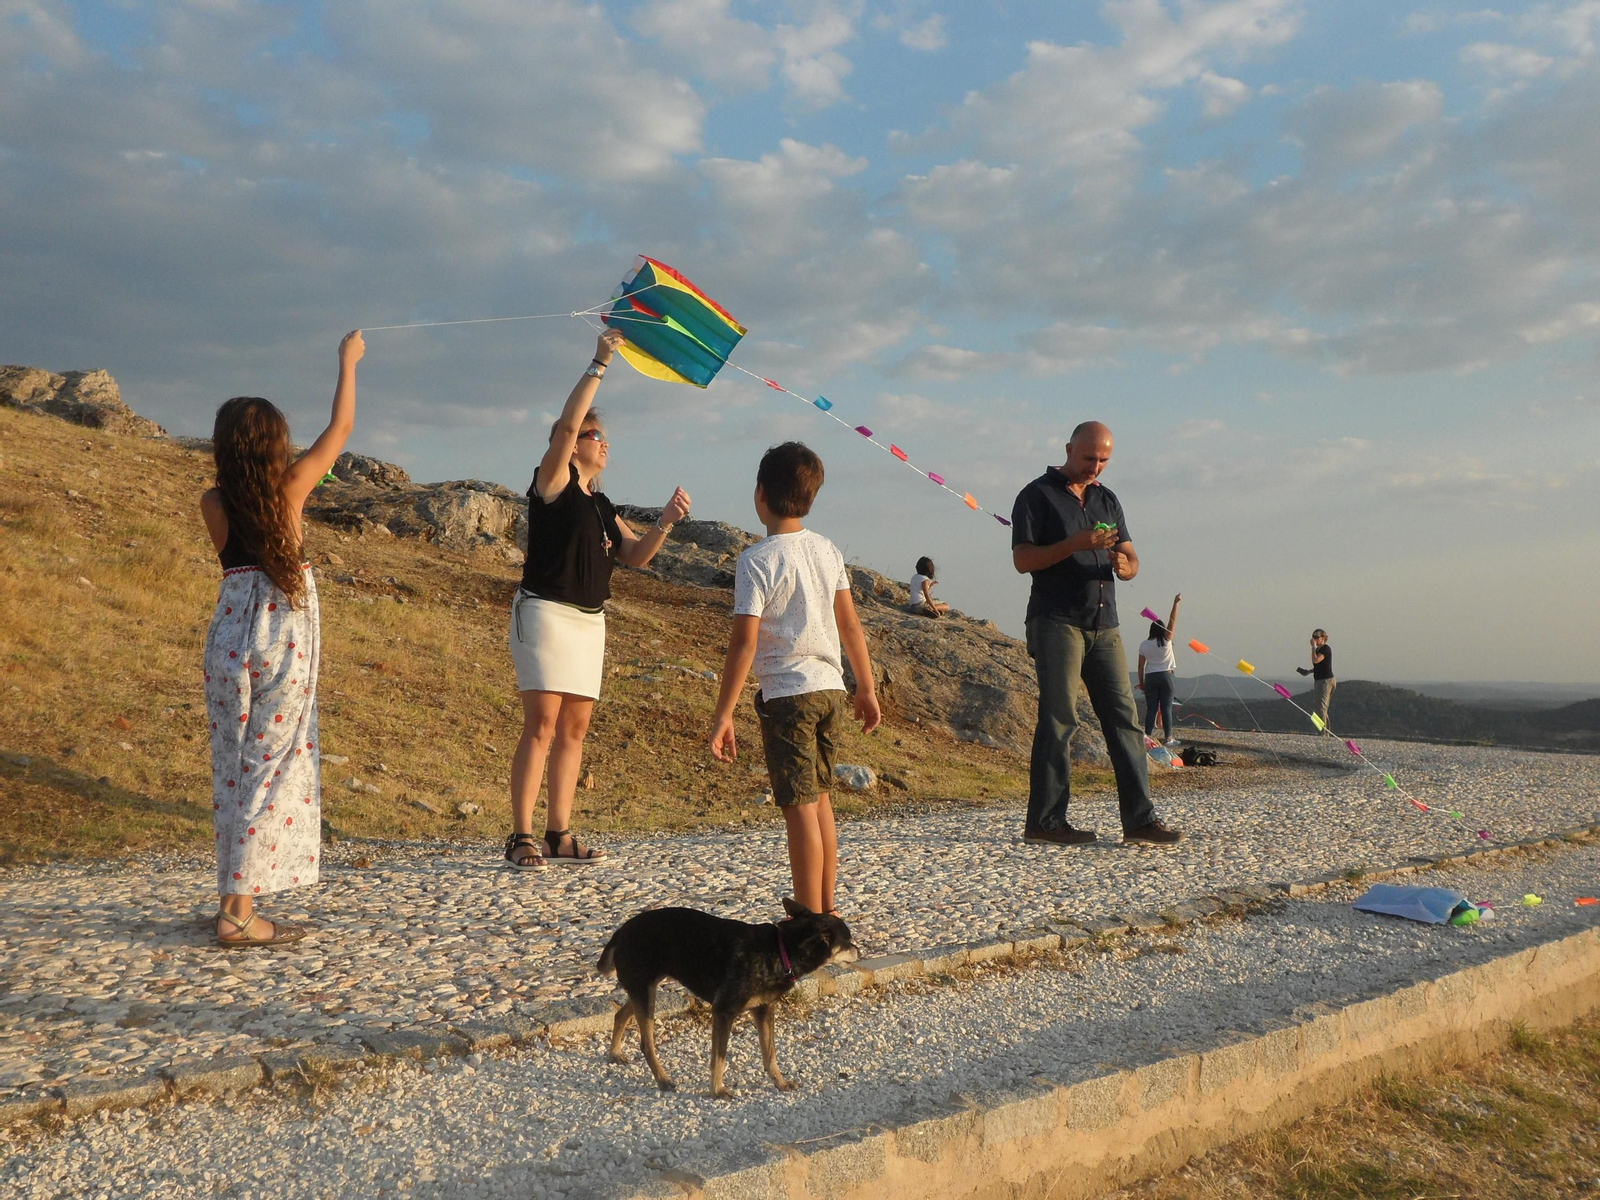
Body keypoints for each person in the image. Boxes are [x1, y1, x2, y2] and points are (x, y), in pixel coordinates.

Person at [200, 330, 365, 947]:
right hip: (281, 638)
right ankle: (238, 913)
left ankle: (232, 897)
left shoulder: (211, 502)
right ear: (275, 447)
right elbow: (341, 427)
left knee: (233, 770)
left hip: (227, 634)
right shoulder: (289, 493)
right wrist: (348, 361)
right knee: (269, 769)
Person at [505, 329, 691, 869]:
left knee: (575, 728)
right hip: (544, 612)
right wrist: (599, 362)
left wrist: (666, 523)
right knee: (541, 724)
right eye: (594, 435)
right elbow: (565, 424)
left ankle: (559, 832)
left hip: (590, 621)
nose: (601, 442)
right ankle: (521, 837)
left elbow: (634, 556)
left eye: (603, 436)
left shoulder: (600, 501)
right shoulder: (553, 481)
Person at [709, 442, 881, 915]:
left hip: (788, 694)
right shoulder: (827, 550)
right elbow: (849, 625)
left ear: (760, 494)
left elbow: (744, 643)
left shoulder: (757, 560)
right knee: (821, 799)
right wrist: (864, 686)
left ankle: (808, 919)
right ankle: (824, 912)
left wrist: (724, 714)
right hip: (830, 688)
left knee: (799, 807)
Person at [1010, 421, 1180, 847]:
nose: (1097, 467)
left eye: (1104, 460)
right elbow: (1023, 559)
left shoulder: (1108, 499)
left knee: (1124, 721)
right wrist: (1074, 543)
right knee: (1059, 719)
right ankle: (1046, 822)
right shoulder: (1036, 495)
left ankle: (1140, 821)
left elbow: (1131, 556)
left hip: (1106, 625)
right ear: (1069, 449)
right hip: (1056, 621)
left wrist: (1128, 567)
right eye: (1089, 459)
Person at [1137, 594, 1182, 745]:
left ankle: (1147, 736)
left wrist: (1141, 682)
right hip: (1166, 676)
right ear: (1162, 630)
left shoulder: (1144, 644)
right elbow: (1173, 620)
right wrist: (1175, 603)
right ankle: (1168, 737)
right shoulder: (1166, 640)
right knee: (1166, 708)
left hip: (1150, 677)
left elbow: (1140, 666)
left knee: (1151, 709)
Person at [1297, 629, 1336, 725]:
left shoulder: (1325, 649)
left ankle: (1323, 732)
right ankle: (1322, 729)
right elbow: (1319, 666)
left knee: (1322, 707)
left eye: (1316, 637)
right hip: (1319, 679)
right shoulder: (1318, 650)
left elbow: (1315, 660)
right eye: (1313, 637)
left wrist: (1313, 647)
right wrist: (1308, 672)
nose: (1314, 639)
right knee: (1318, 706)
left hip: (1326, 680)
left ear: (1323, 638)